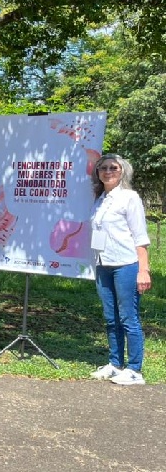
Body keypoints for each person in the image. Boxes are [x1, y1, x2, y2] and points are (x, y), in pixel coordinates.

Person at [88, 154, 151, 385]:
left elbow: (140, 237)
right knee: (110, 318)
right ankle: (115, 364)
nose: (108, 171)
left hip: (125, 264)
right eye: (103, 168)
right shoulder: (100, 199)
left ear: (122, 171)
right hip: (103, 265)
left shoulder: (129, 197)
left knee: (128, 318)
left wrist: (143, 270)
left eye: (113, 167)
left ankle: (135, 369)